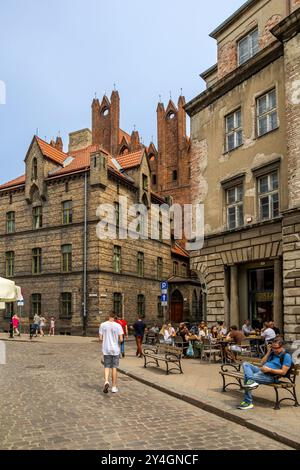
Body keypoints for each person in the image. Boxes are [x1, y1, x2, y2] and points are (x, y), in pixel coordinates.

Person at [238, 337, 293, 410]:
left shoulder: (286, 356)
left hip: (270, 376)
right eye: (272, 347)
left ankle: (248, 402)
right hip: (261, 371)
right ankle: (250, 381)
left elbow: (283, 372)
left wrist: (269, 370)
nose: (274, 350)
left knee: (247, 378)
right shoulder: (272, 353)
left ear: (282, 346)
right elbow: (262, 363)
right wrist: (268, 352)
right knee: (245, 364)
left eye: (276, 348)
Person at [99, 313, 124, 394]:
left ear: (108, 317)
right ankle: (113, 387)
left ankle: (106, 381)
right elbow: (121, 339)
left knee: (106, 366)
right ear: (114, 318)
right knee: (114, 367)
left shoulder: (103, 325)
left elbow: (100, 338)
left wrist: (106, 340)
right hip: (115, 349)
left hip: (106, 349)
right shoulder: (118, 326)